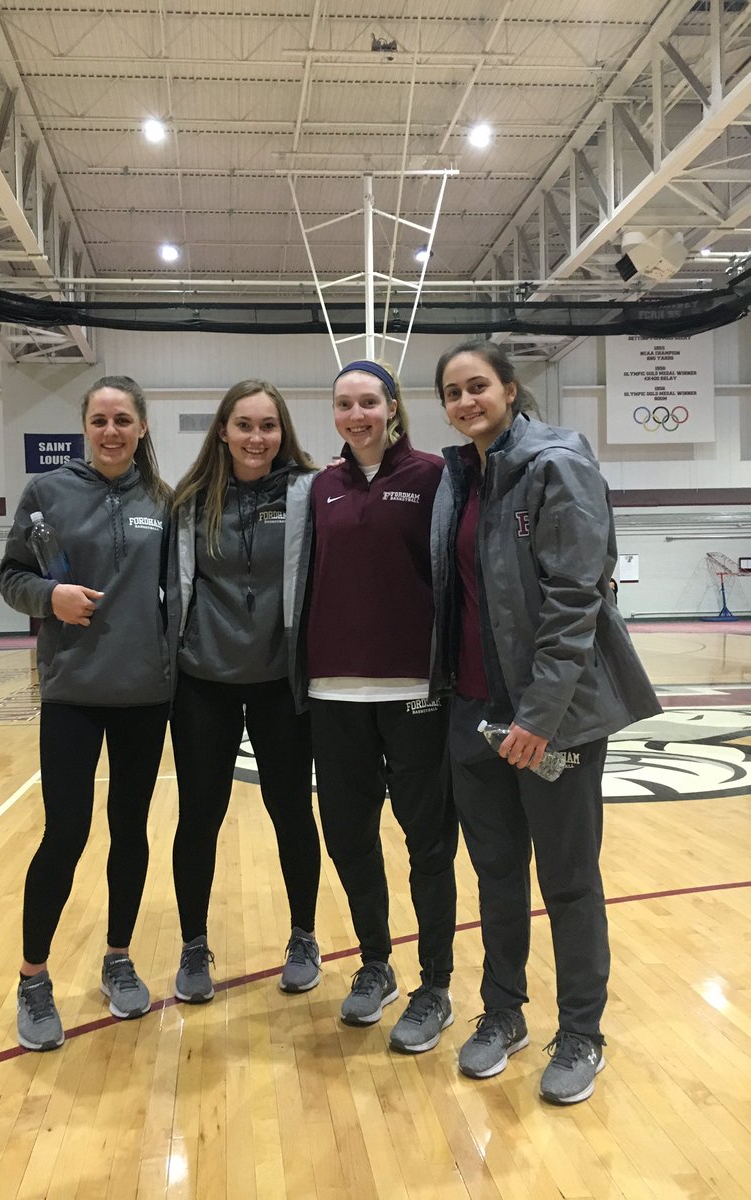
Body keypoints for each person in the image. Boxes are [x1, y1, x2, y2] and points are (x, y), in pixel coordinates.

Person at [432, 338, 661, 1102]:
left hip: (550, 720)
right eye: (453, 392)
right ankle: (503, 1014)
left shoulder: (558, 464)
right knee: (497, 877)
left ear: (509, 388)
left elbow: (575, 598)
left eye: (477, 386)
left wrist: (538, 715)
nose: (466, 401)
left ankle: (582, 1033)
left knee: (567, 881)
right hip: (474, 713)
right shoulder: (460, 476)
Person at [0, 375, 173, 1051]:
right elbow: (11, 577)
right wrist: (51, 597)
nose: (111, 431)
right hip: (72, 693)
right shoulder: (46, 493)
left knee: (130, 832)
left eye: (123, 419)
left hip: (144, 697)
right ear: (84, 426)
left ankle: (118, 957)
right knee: (65, 834)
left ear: (142, 427)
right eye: (100, 419)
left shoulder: (164, 500)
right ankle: (33, 977)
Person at [302, 359, 458, 1054]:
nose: (356, 415)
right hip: (333, 693)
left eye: (368, 402)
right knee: (348, 837)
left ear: (392, 407)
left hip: (414, 691)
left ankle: (436, 985)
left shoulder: (434, 476)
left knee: (429, 843)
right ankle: (375, 964)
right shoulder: (320, 488)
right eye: (344, 404)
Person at [170, 379, 322, 1002]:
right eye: (244, 425)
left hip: (281, 684)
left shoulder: (310, 494)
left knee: (292, 812)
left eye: (267, 425)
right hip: (203, 683)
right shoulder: (189, 502)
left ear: (282, 431)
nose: (256, 437)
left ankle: (304, 936)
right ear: (223, 432)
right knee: (198, 818)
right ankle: (193, 945)